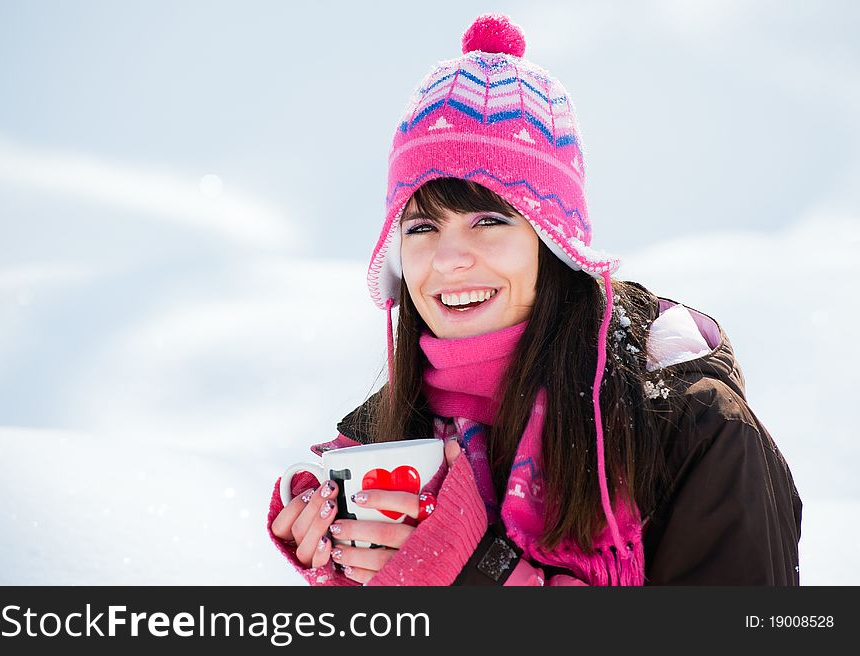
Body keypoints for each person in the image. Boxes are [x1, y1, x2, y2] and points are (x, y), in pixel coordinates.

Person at [267, 13, 802, 586]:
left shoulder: (691, 428)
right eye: (421, 228)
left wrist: (475, 573)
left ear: (554, 246)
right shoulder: (389, 436)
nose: (448, 259)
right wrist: (346, 568)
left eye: (489, 220)